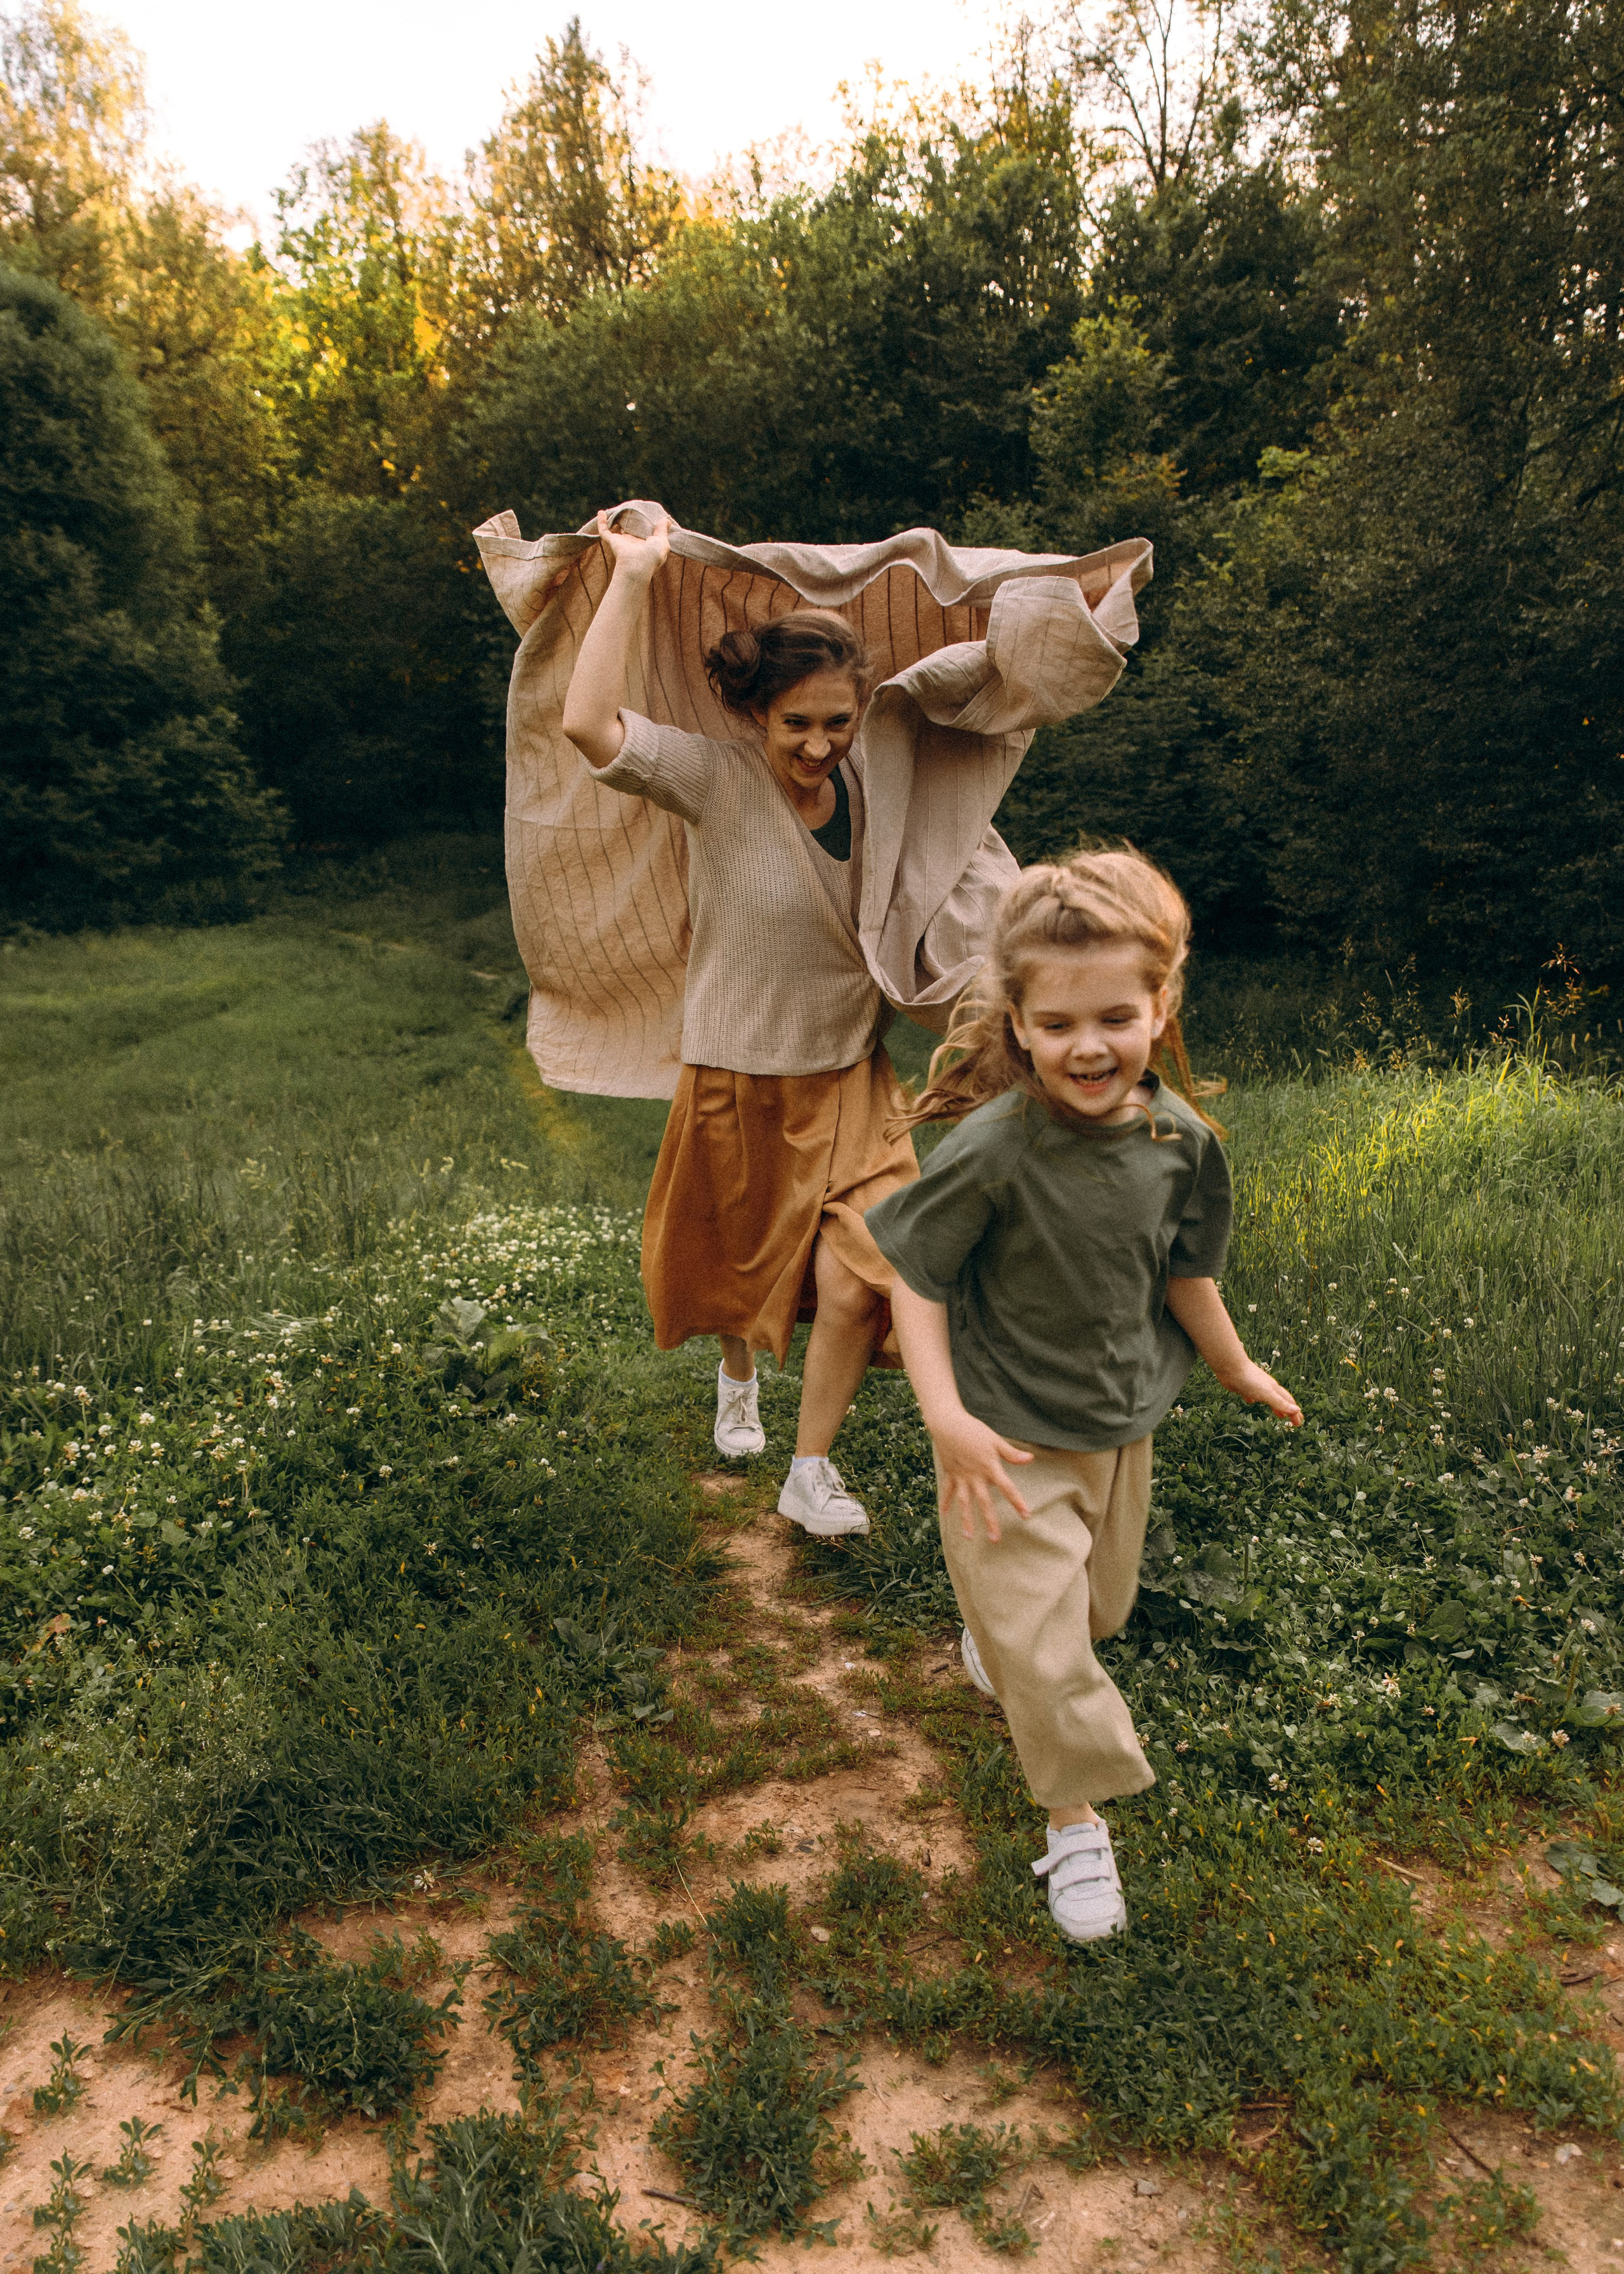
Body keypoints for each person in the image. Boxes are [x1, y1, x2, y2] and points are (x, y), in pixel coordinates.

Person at [865, 847, 1302, 1943]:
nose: (1087, 1046)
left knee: (1096, 1617)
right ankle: (1075, 1825)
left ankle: (996, 1644)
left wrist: (1236, 1366)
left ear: (1160, 1007)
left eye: (1115, 1016)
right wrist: (945, 1420)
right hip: (1002, 1439)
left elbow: (1184, 1276)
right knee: (1056, 1657)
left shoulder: (1181, 1144)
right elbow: (913, 1280)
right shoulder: (994, 1149)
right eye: (1056, 1025)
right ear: (1016, 1022)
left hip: (1119, 1425)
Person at [561, 506, 920, 1538]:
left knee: (875, 1266)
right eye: (795, 723)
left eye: (835, 723)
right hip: (741, 1065)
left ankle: (811, 1472)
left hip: (854, 1075)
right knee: (738, 1268)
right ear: (758, 719)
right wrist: (631, 577)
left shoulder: (881, 785)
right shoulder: (714, 779)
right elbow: (591, 726)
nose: (817, 745)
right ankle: (736, 1378)